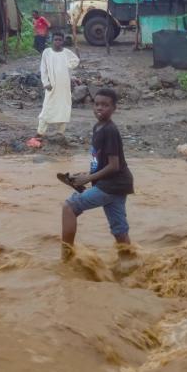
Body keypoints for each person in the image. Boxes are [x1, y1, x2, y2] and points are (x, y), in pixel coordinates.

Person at [61, 88, 134, 261]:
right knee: (119, 231)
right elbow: (99, 159)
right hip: (119, 185)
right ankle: (131, 265)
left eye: (105, 105)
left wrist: (88, 179)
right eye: (97, 104)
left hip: (112, 185)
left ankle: (66, 258)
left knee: (69, 207)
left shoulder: (110, 130)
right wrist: (87, 173)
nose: (100, 108)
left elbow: (114, 165)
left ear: (114, 108)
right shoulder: (98, 127)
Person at [37, 31, 79, 138]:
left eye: (60, 40)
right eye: (56, 39)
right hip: (52, 86)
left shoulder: (66, 52)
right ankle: (40, 133)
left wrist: (67, 65)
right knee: (47, 108)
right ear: (52, 40)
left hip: (64, 86)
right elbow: (43, 69)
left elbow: (76, 60)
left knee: (64, 107)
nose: (58, 42)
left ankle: (60, 132)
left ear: (63, 41)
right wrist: (46, 83)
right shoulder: (47, 52)